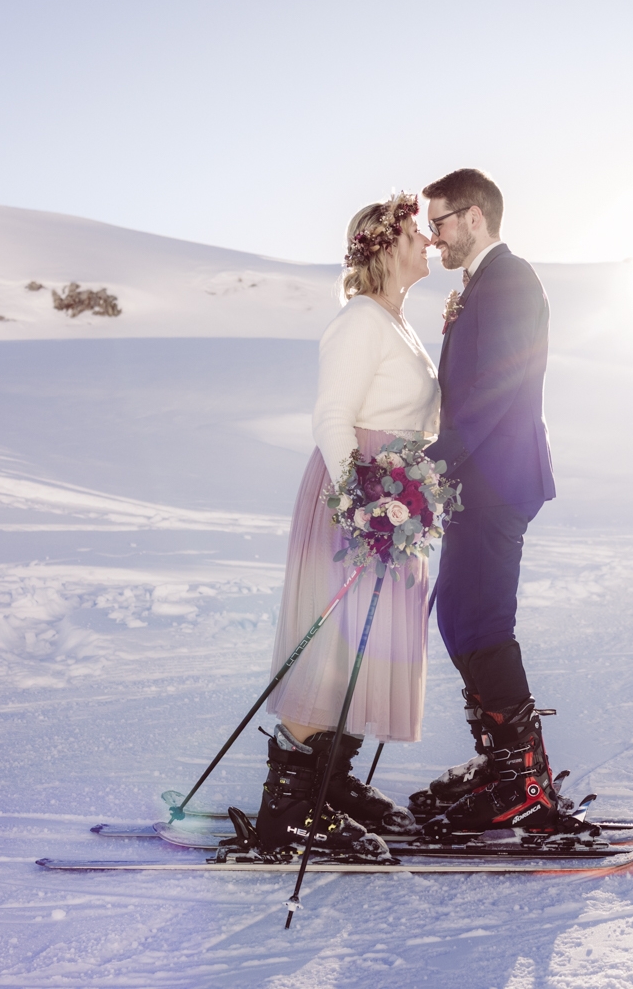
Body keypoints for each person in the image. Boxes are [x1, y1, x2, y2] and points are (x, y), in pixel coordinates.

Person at [229, 192, 440, 857]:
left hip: (394, 494)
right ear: (387, 247)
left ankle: (330, 783)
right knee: (331, 647)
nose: (427, 242)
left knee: (363, 646)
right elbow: (331, 416)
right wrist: (362, 501)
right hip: (361, 494)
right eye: (415, 233)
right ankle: (290, 810)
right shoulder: (360, 320)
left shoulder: (397, 322)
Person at [409, 168, 566, 834]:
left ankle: (523, 784)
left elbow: (496, 386)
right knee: (458, 617)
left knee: (481, 624)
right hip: (476, 480)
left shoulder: (510, 279)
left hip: (497, 478)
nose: (433, 237)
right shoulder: (480, 285)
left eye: (439, 222)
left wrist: (434, 462)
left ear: (475, 217)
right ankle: (501, 763)